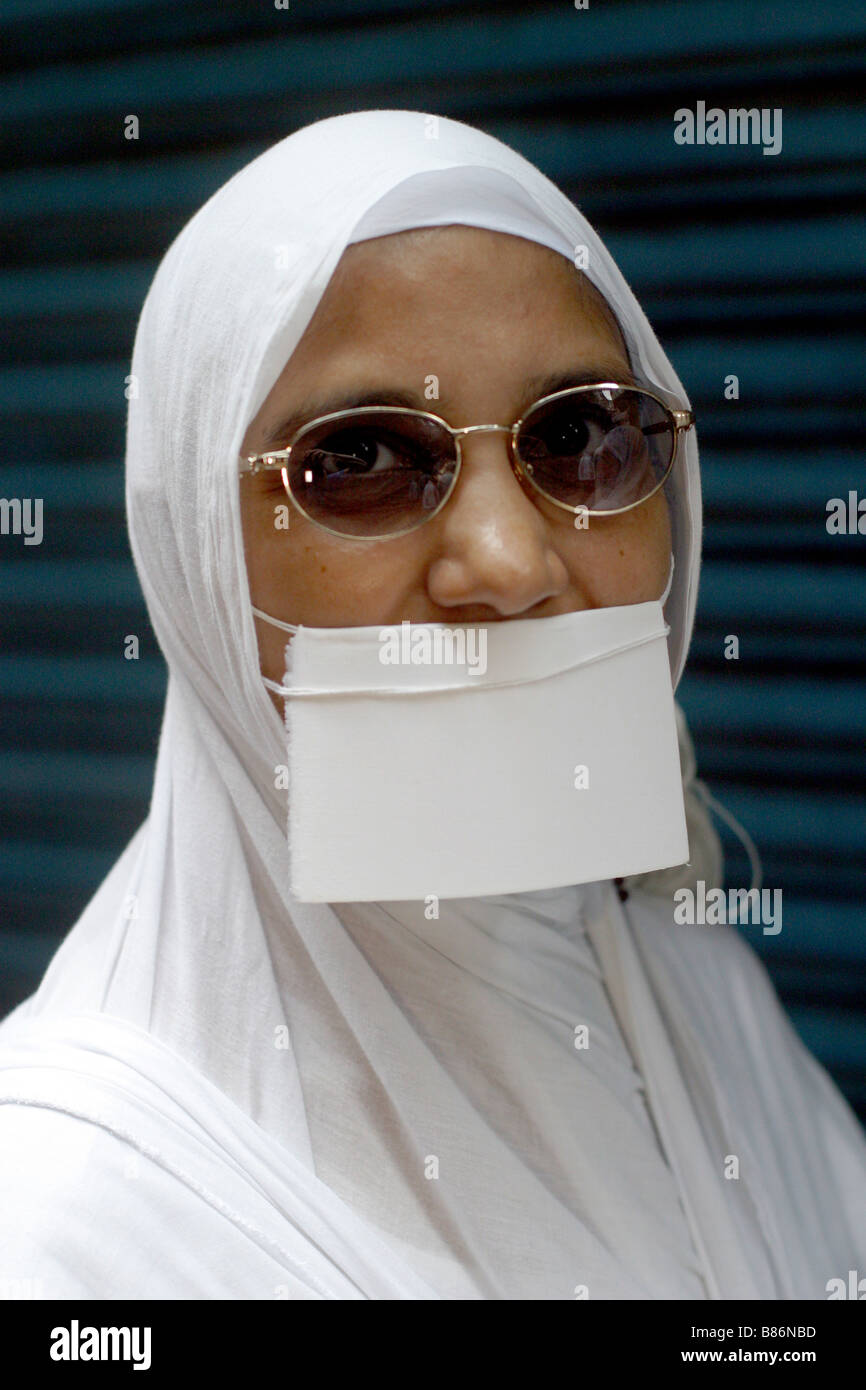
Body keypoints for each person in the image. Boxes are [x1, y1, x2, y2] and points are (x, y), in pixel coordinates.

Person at [0, 110, 863, 1301]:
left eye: (578, 436)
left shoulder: (689, 987)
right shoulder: (65, 1220)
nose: (508, 561)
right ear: (197, 555)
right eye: (358, 461)